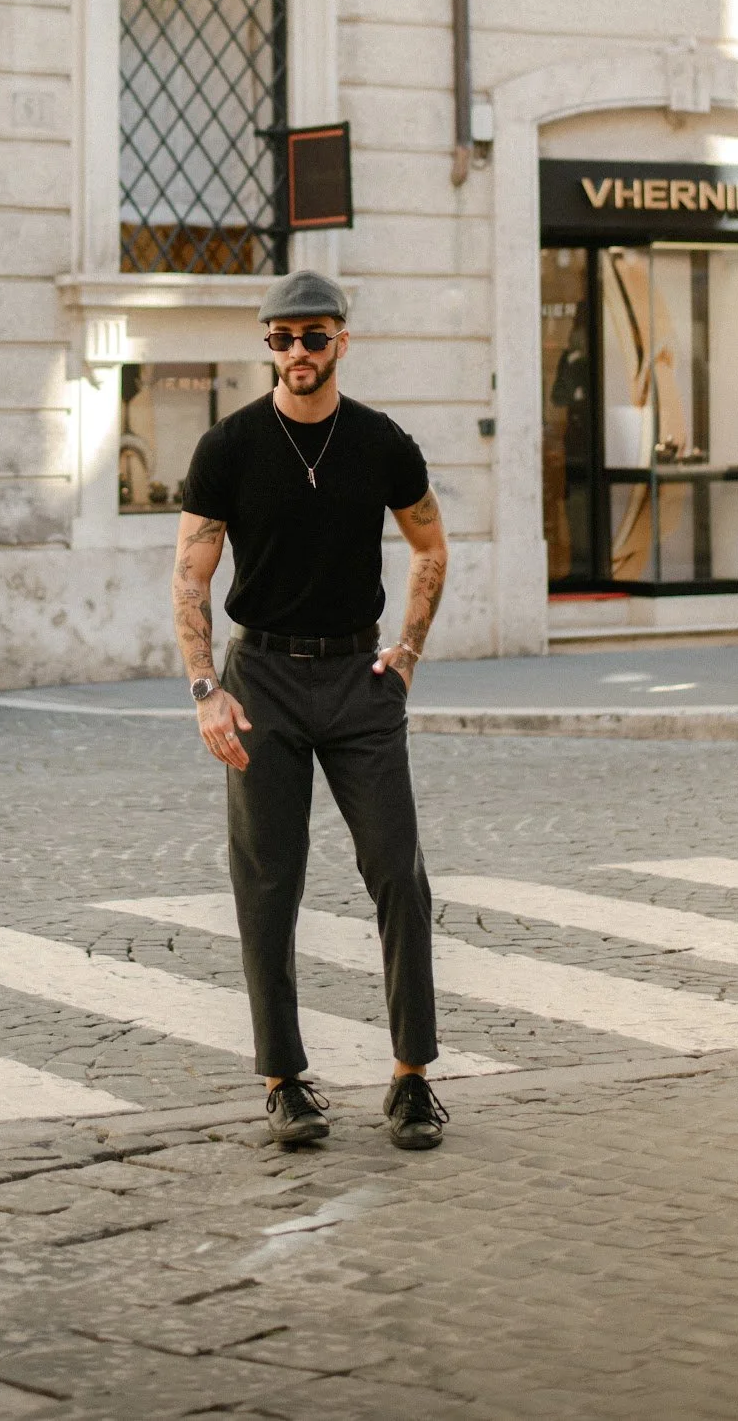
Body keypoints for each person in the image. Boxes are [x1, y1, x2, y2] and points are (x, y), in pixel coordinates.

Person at [172, 272, 450, 1152]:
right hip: (259, 682)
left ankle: (411, 1080)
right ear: (268, 346)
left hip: (358, 676)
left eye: (314, 336)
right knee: (266, 882)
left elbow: (428, 543)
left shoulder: (380, 442)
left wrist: (405, 652)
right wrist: (205, 689)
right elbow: (190, 574)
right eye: (283, 338)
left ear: (341, 342)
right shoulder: (227, 446)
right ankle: (283, 1080)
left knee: (397, 873)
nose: (299, 352)